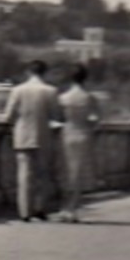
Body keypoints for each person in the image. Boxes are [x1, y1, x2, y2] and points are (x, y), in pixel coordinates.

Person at [3, 60, 62, 221]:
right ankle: (40, 208)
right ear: (44, 73)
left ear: (28, 72)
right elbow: (56, 116)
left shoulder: (18, 90)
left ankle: (24, 212)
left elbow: (8, 116)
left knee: (24, 174)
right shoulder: (50, 91)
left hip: (22, 136)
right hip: (43, 136)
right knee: (43, 174)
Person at [58, 64, 101, 222]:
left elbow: (58, 118)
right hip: (83, 134)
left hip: (66, 134)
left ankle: (64, 208)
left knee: (66, 172)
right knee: (78, 173)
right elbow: (96, 119)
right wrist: (88, 125)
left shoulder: (63, 97)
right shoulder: (89, 98)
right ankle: (72, 208)